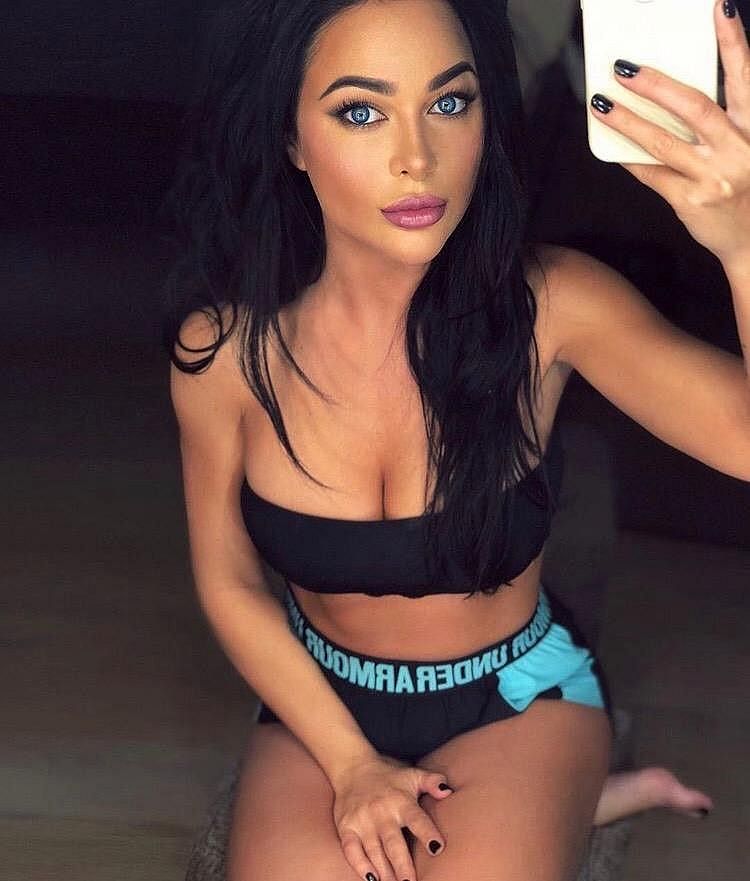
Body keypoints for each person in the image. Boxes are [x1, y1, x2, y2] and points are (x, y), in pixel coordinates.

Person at [162, 1, 749, 879]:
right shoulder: (224, 358)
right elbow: (229, 580)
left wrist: (743, 243)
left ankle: (562, 787)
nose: (418, 156)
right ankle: (567, 803)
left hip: (517, 695)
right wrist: (350, 764)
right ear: (291, 137)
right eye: (360, 111)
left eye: (449, 102)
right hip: (325, 697)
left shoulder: (554, 307)